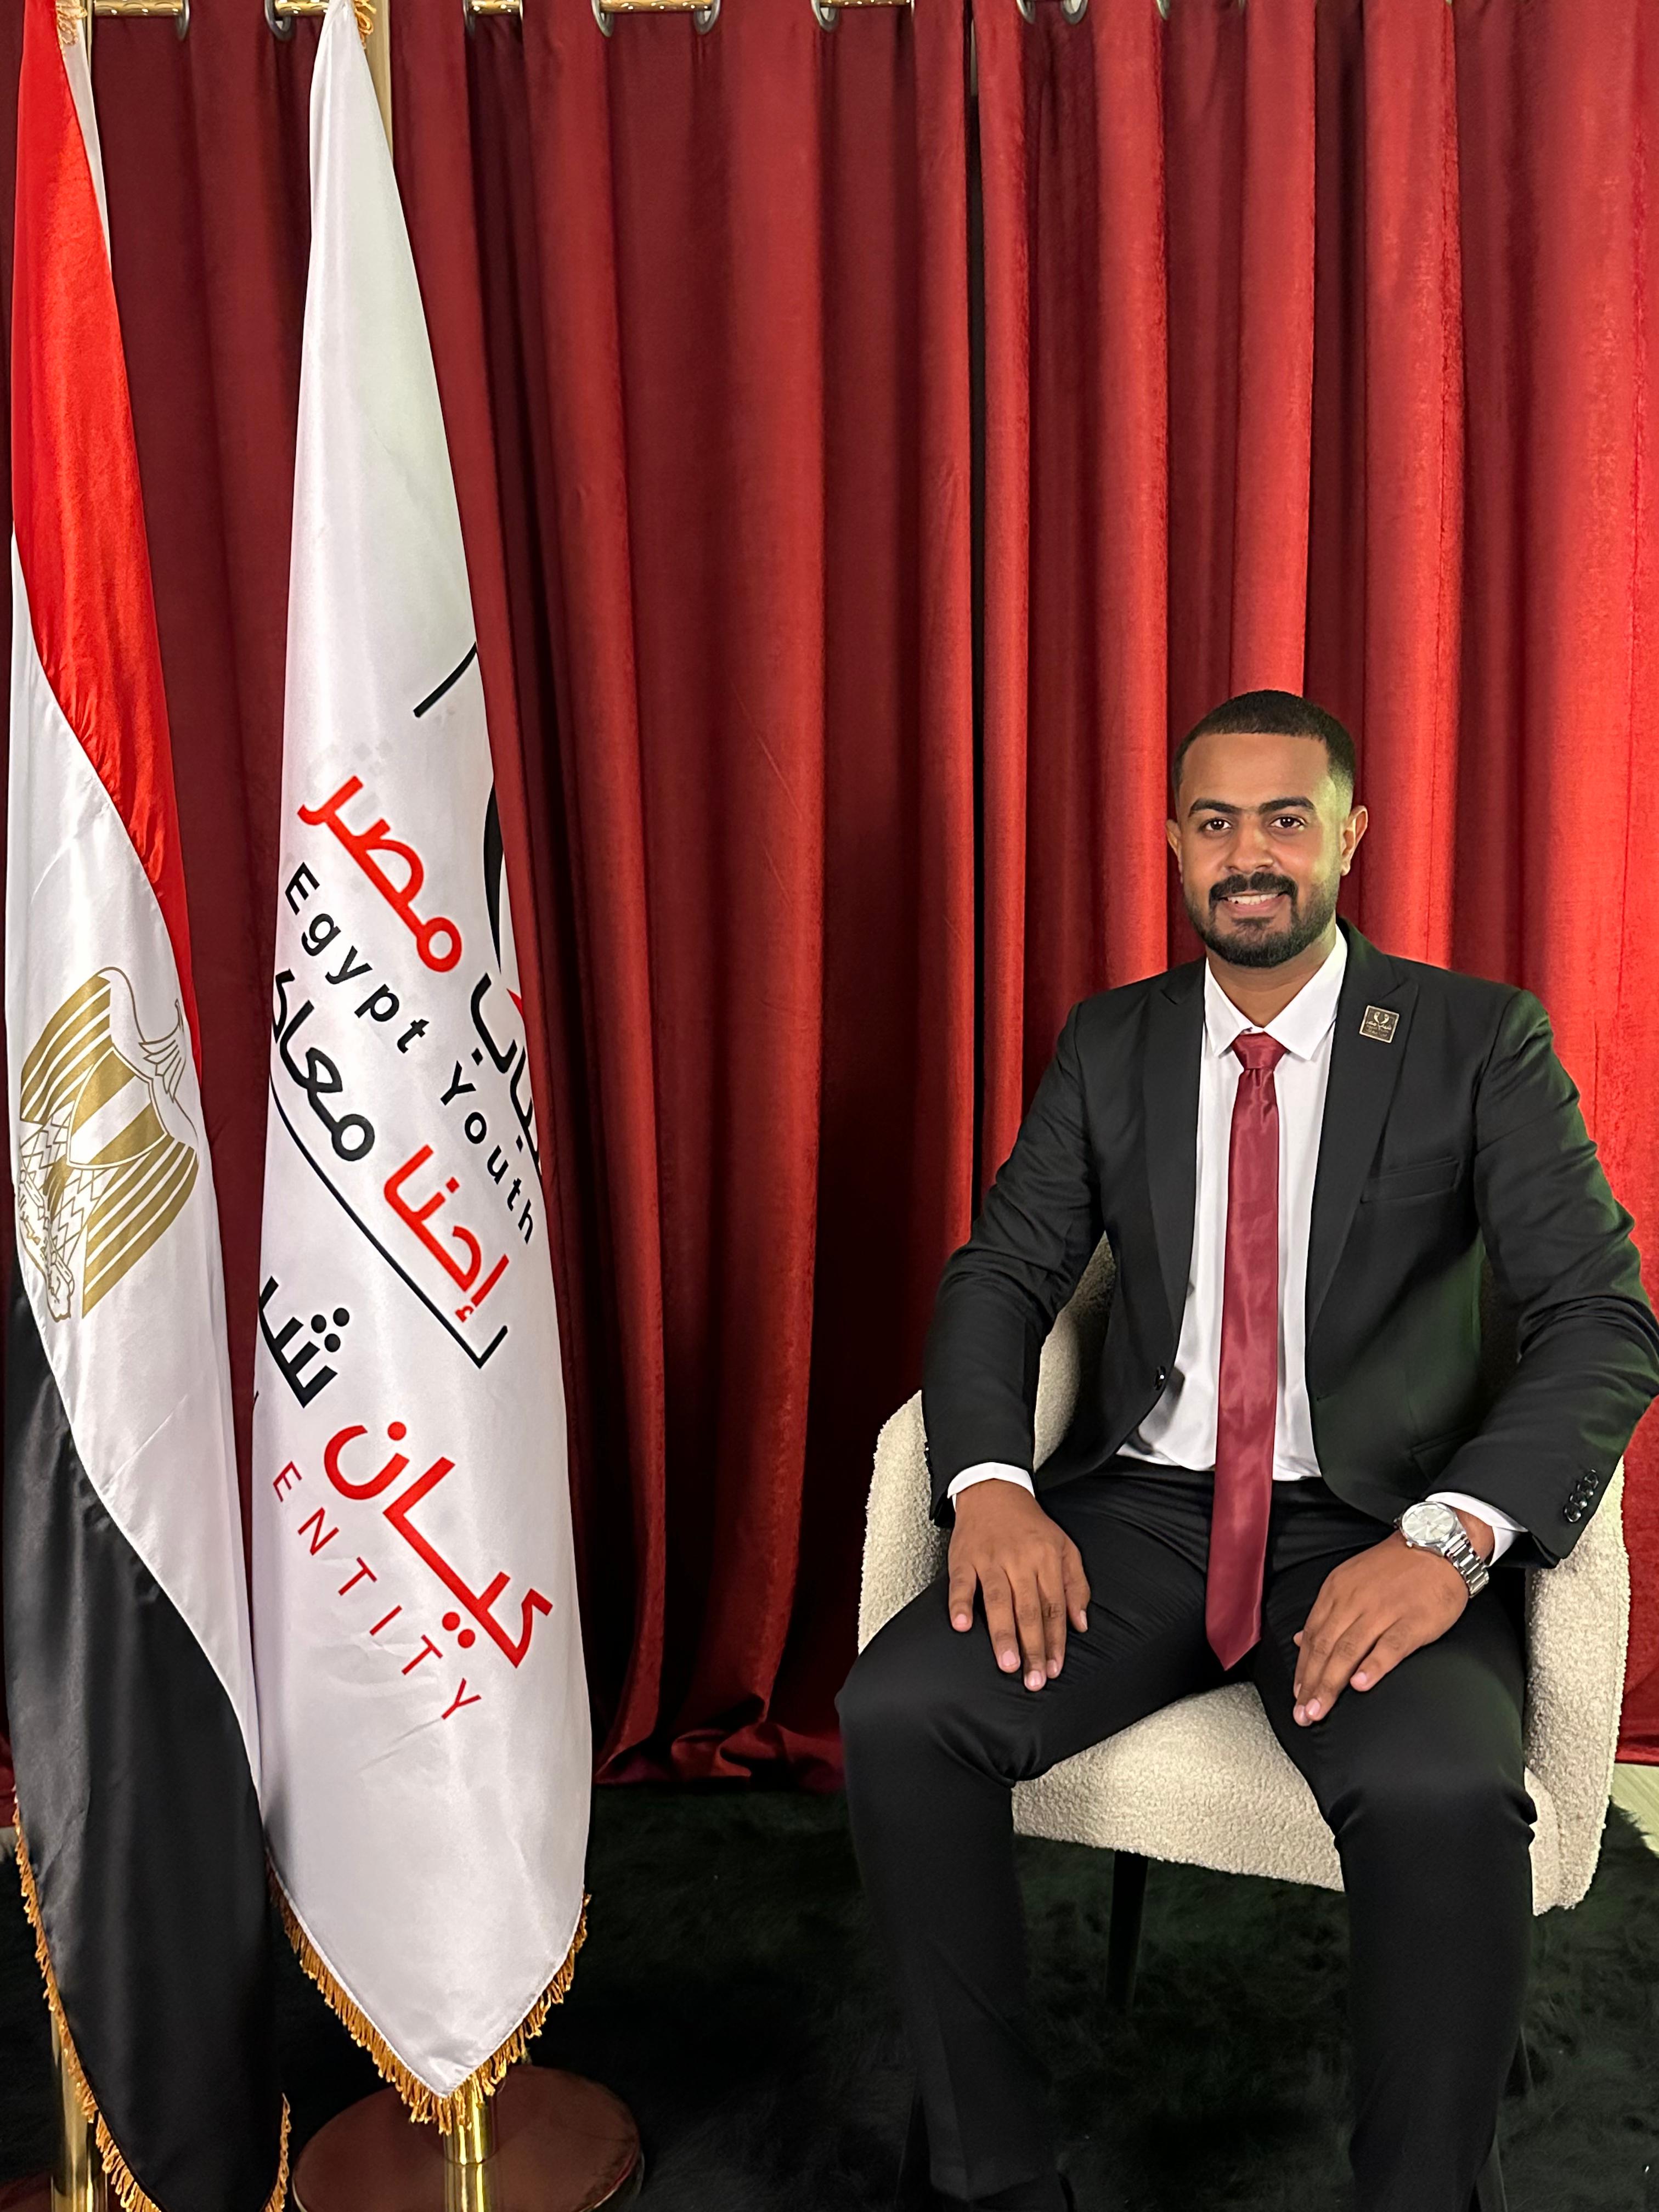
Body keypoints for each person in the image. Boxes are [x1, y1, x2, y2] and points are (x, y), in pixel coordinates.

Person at [838, 690, 1659, 2212]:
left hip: (1371, 1526)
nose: (1250, 855)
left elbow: (1602, 1320)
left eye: (1287, 819)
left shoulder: (1476, 1040)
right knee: (900, 1711)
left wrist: (1451, 1540)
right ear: (1173, 844)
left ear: (1351, 835)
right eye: (1215, 823)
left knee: (1441, 1797)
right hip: (1140, 1520)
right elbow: (1003, 1275)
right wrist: (991, 1487)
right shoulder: (1113, 1044)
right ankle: (992, 2175)